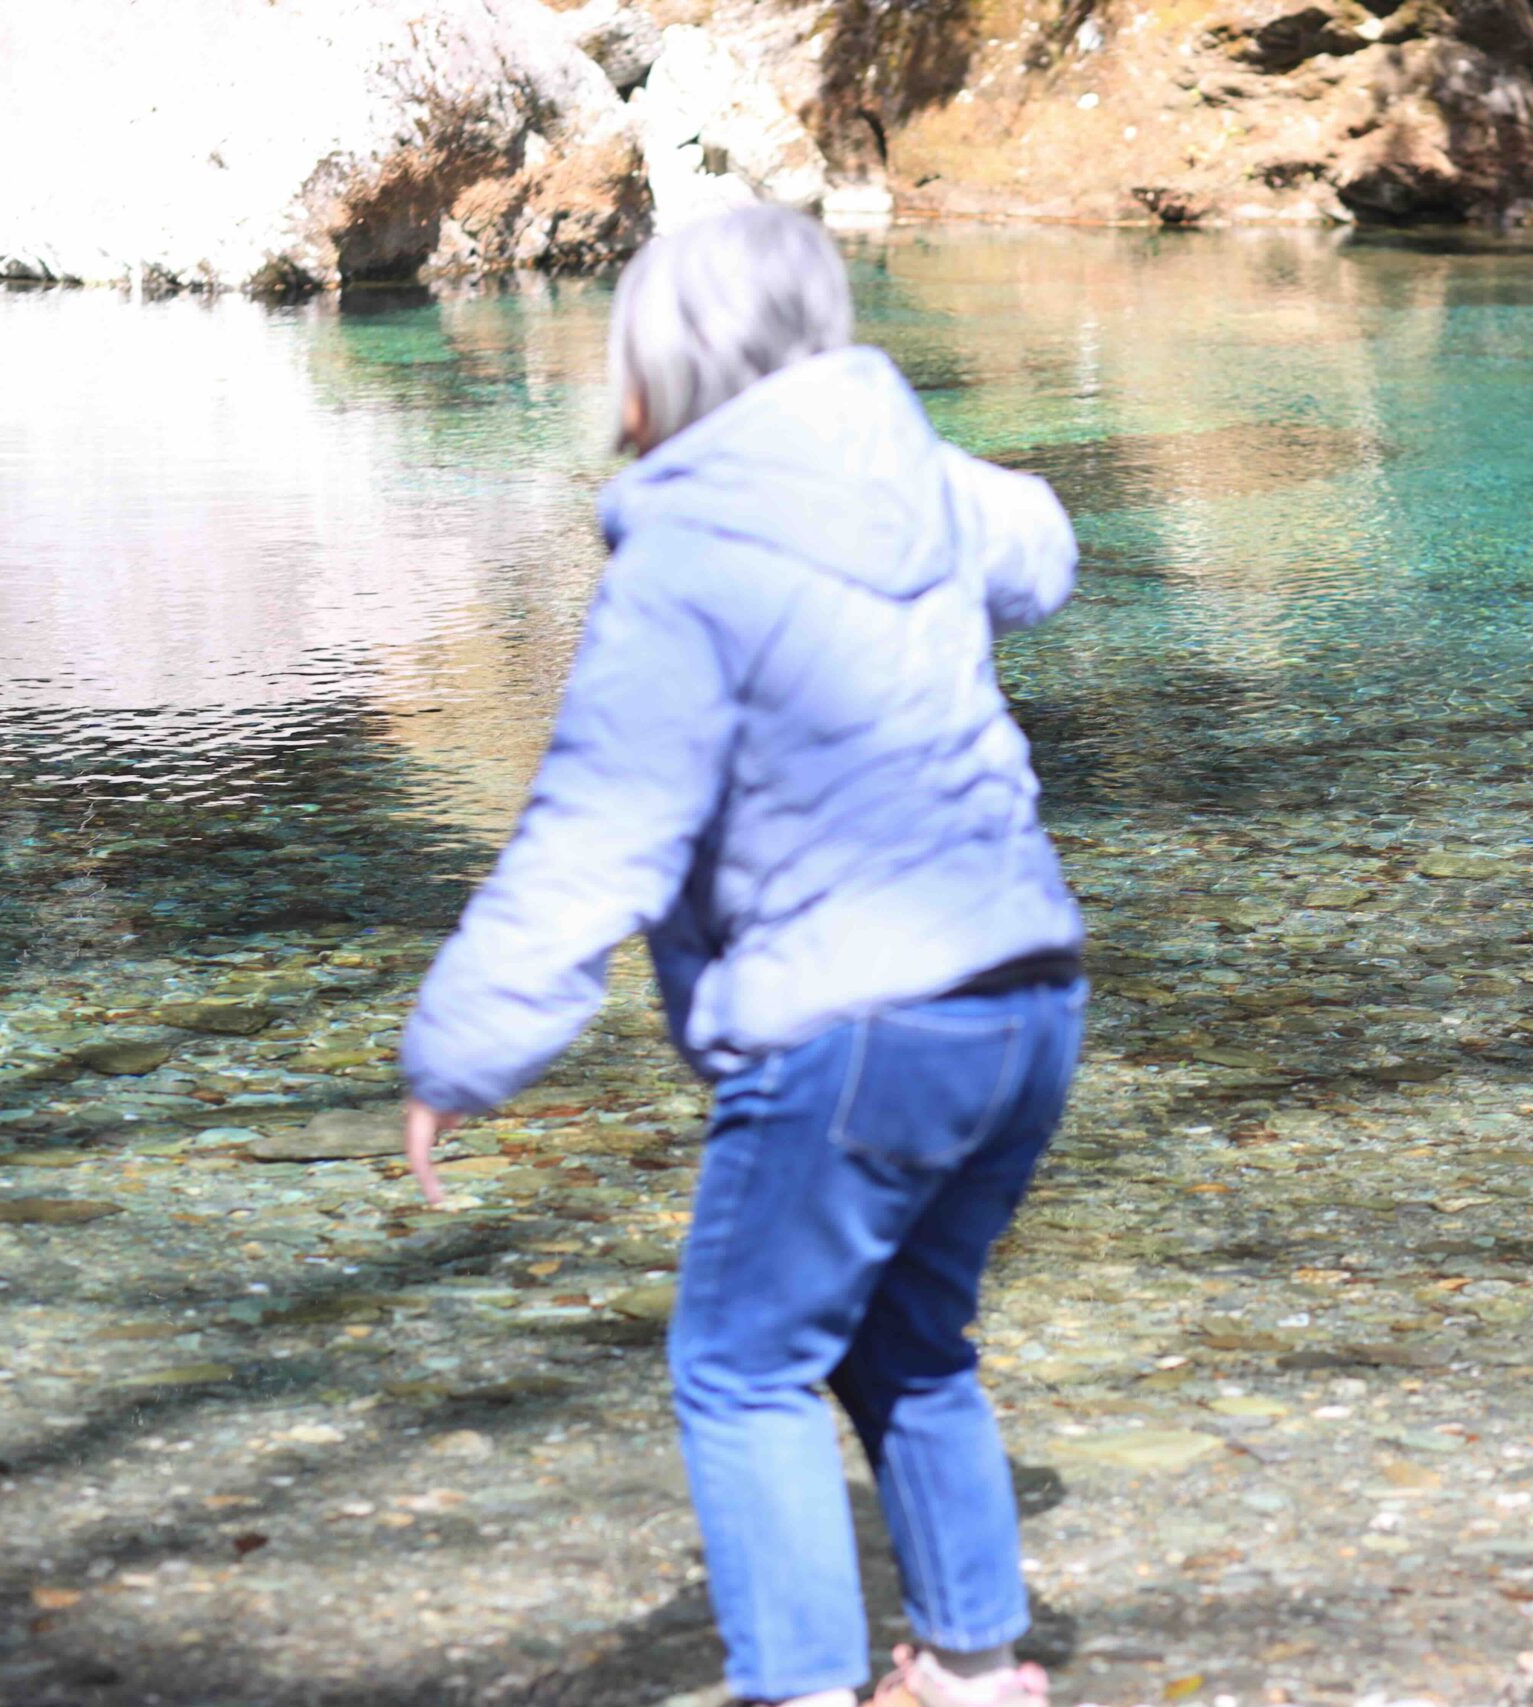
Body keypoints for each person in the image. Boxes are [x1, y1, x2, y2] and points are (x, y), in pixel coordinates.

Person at [397, 205, 1088, 1707]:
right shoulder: (915, 481)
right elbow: (1041, 550)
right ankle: (971, 1669)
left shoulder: (688, 558)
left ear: (664, 378)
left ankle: (801, 1690)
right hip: (1029, 995)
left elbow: (597, 832)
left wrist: (462, 1049)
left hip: (852, 1025)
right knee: (912, 1337)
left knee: (741, 1366)